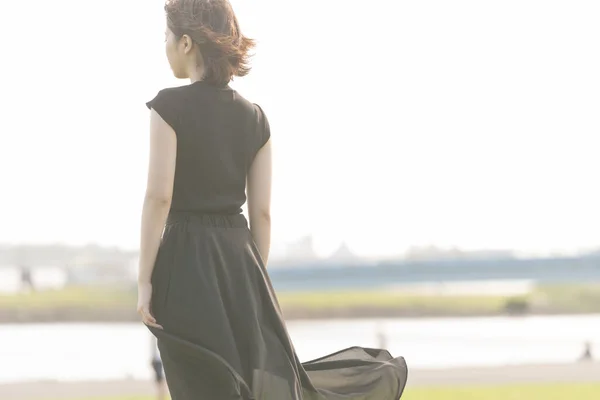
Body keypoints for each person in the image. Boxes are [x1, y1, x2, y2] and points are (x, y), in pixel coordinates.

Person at [136, 0, 408, 398]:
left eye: (166, 37)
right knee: (252, 381)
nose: (164, 46)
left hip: (184, 260)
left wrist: (144, 279)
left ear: (187, 43)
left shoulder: (167, 107)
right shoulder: (256, 118)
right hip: (240, 261)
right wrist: (253, 280)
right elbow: (261, 212)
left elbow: (159, 198)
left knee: (201, 384)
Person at [150, 336, 167, 400]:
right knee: (159, 381)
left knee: (160, 381)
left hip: (159, 362)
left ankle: (161, 396)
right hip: (157, 362)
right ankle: (161, 396)